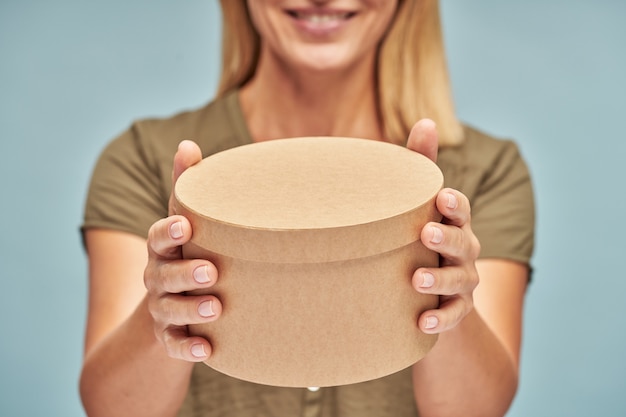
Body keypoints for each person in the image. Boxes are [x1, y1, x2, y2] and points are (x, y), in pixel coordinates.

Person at [79, 1, 534, 416]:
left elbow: (475, 410)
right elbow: (112, 409)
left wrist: (451, 299)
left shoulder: (484, 172)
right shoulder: (143, 158)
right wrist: (162, 311)